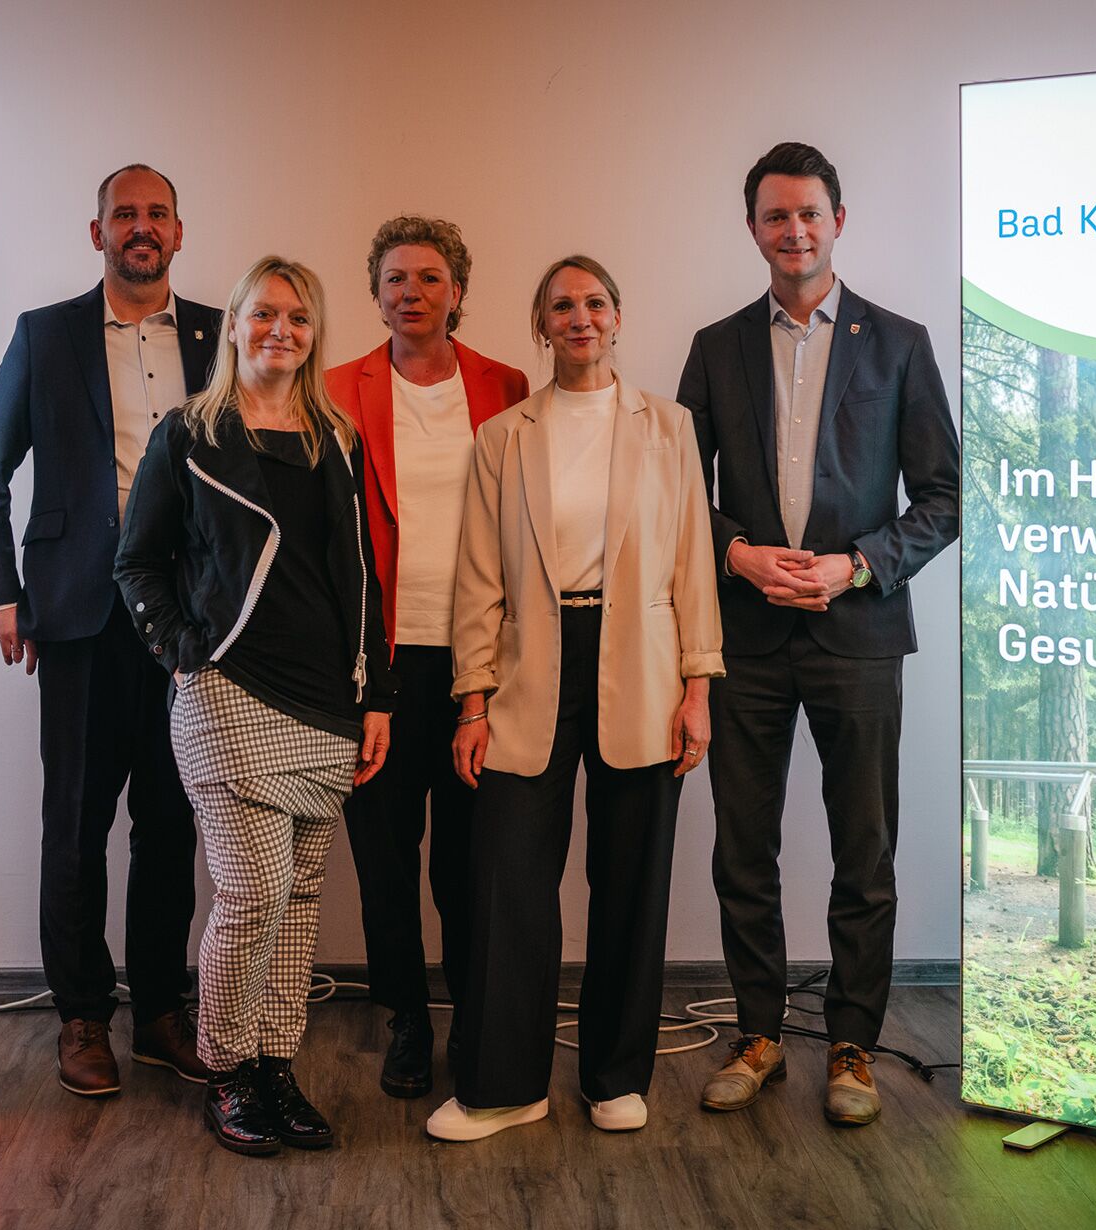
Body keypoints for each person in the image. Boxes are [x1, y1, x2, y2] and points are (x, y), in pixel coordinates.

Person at [678, 143, 958, 1125]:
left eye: (810, 214)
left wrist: (857, 564)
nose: (794, 232)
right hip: (745, 636)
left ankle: (851, 1043)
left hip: (860, 631)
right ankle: (758, 1032)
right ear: (751, 226)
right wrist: (740, 553)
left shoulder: (899, 343)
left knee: (863, 849)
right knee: (742, 849)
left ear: (840, 218)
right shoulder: (715, 349)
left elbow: (943, 496)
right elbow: (674, 491)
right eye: (774, 216)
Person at [425, 256, 723, 1143]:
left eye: (595, 302)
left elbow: (693, 568)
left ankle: (615, 1077)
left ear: (619, 318)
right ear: (541, 325)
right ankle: (505, 1085)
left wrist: (699, 687)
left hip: (643, 661)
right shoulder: (505, 437)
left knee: (632, 880)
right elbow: (479, 579)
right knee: (509, 879)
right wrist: (472, 701)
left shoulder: (669, 428)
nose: (580, 317)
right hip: (530, 664)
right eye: (562, 305)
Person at [116, 255, 397, 1158]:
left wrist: (376, 696)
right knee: (252, 892)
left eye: (299, 318)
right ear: (234, 323)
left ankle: (276, 1065)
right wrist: (181, 652)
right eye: (264, 313)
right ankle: (228, 1068)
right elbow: (138, 563)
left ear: (315, 336)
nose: (281, 329)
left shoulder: (334, 438)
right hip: (229, 694)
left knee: (301, 896)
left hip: (325, 702)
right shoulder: (188, 436)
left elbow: (360, 576)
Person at [0, 163, 220, 1097]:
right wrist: (5, 593)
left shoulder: (217, 336)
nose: (141, 227)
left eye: (157, 212)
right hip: (78, 617)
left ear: (178, 228)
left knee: (170, 826)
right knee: (76, 825)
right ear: (97, 234)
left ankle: (160, 1011)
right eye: (124, 214)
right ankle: (82, 1017)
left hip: (189, 626)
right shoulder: (47, 336)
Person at [324, 215, 529, 1098]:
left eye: (430, 278)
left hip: (481, 665)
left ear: (458, 292)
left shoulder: (506, 383)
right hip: (378, 663)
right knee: (383, 856)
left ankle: (476, 1015)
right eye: (395, 279)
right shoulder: (334, 386)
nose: (411, 292)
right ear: (375, 295)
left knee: (470, 860)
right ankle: (406, 1017)